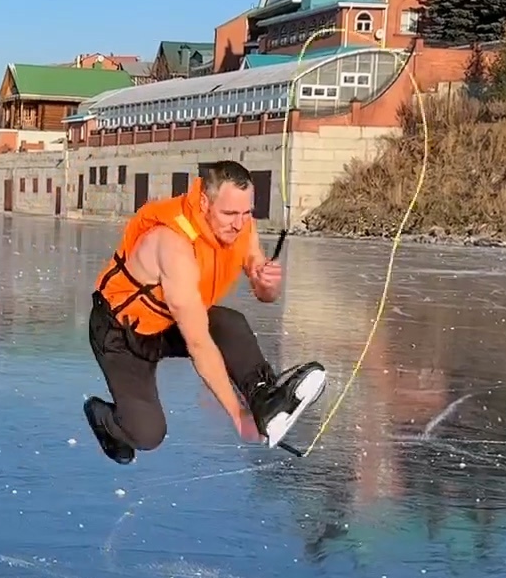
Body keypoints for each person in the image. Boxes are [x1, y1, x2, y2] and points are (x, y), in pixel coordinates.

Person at [83, 161, 325, 464]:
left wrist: (268, 283)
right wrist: (239, 419)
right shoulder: (173, 245)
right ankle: (102, 417)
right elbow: (199, 345)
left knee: (230, 324)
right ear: (203, 202)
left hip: (166, 323)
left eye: (246, 213)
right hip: (122, 333)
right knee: (147, 435)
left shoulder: (241, 226)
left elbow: (266, 295)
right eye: (229, 214)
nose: (239, 224)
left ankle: (265, 399)